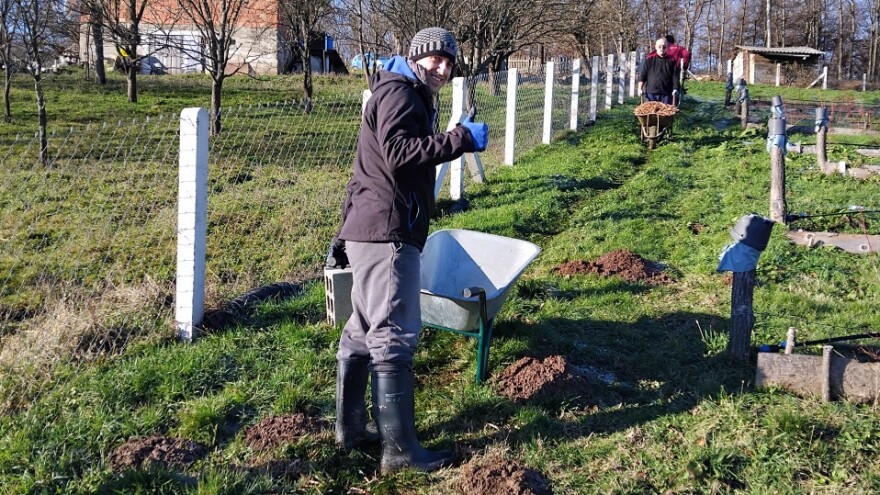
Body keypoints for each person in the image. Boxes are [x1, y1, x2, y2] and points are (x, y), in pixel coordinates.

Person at [332, 27, 488, 474]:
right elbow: (399, 154)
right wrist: (460, 139)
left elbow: (369, 167)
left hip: (370, 228)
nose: (442, 68)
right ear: (416, 57)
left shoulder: (396, 89)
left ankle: (351, 429)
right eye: (435, 58)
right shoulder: (400, 93)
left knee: (363, 328)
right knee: (393, 334)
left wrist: (345, 231)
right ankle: (399, 452)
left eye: (449, 62)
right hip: (388, 231)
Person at [638, 37, 680, 105]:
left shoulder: (672, 61)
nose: (661, 49)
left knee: (665, 111)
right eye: (659, 46)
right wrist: (640, 88)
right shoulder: (649, 60)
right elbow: (643, 75)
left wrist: (675, 88)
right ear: (656, 47)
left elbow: (675, 77)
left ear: (667, 47)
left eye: (664, 47)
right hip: (651, 93)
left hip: (666, 93)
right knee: (650, 111)